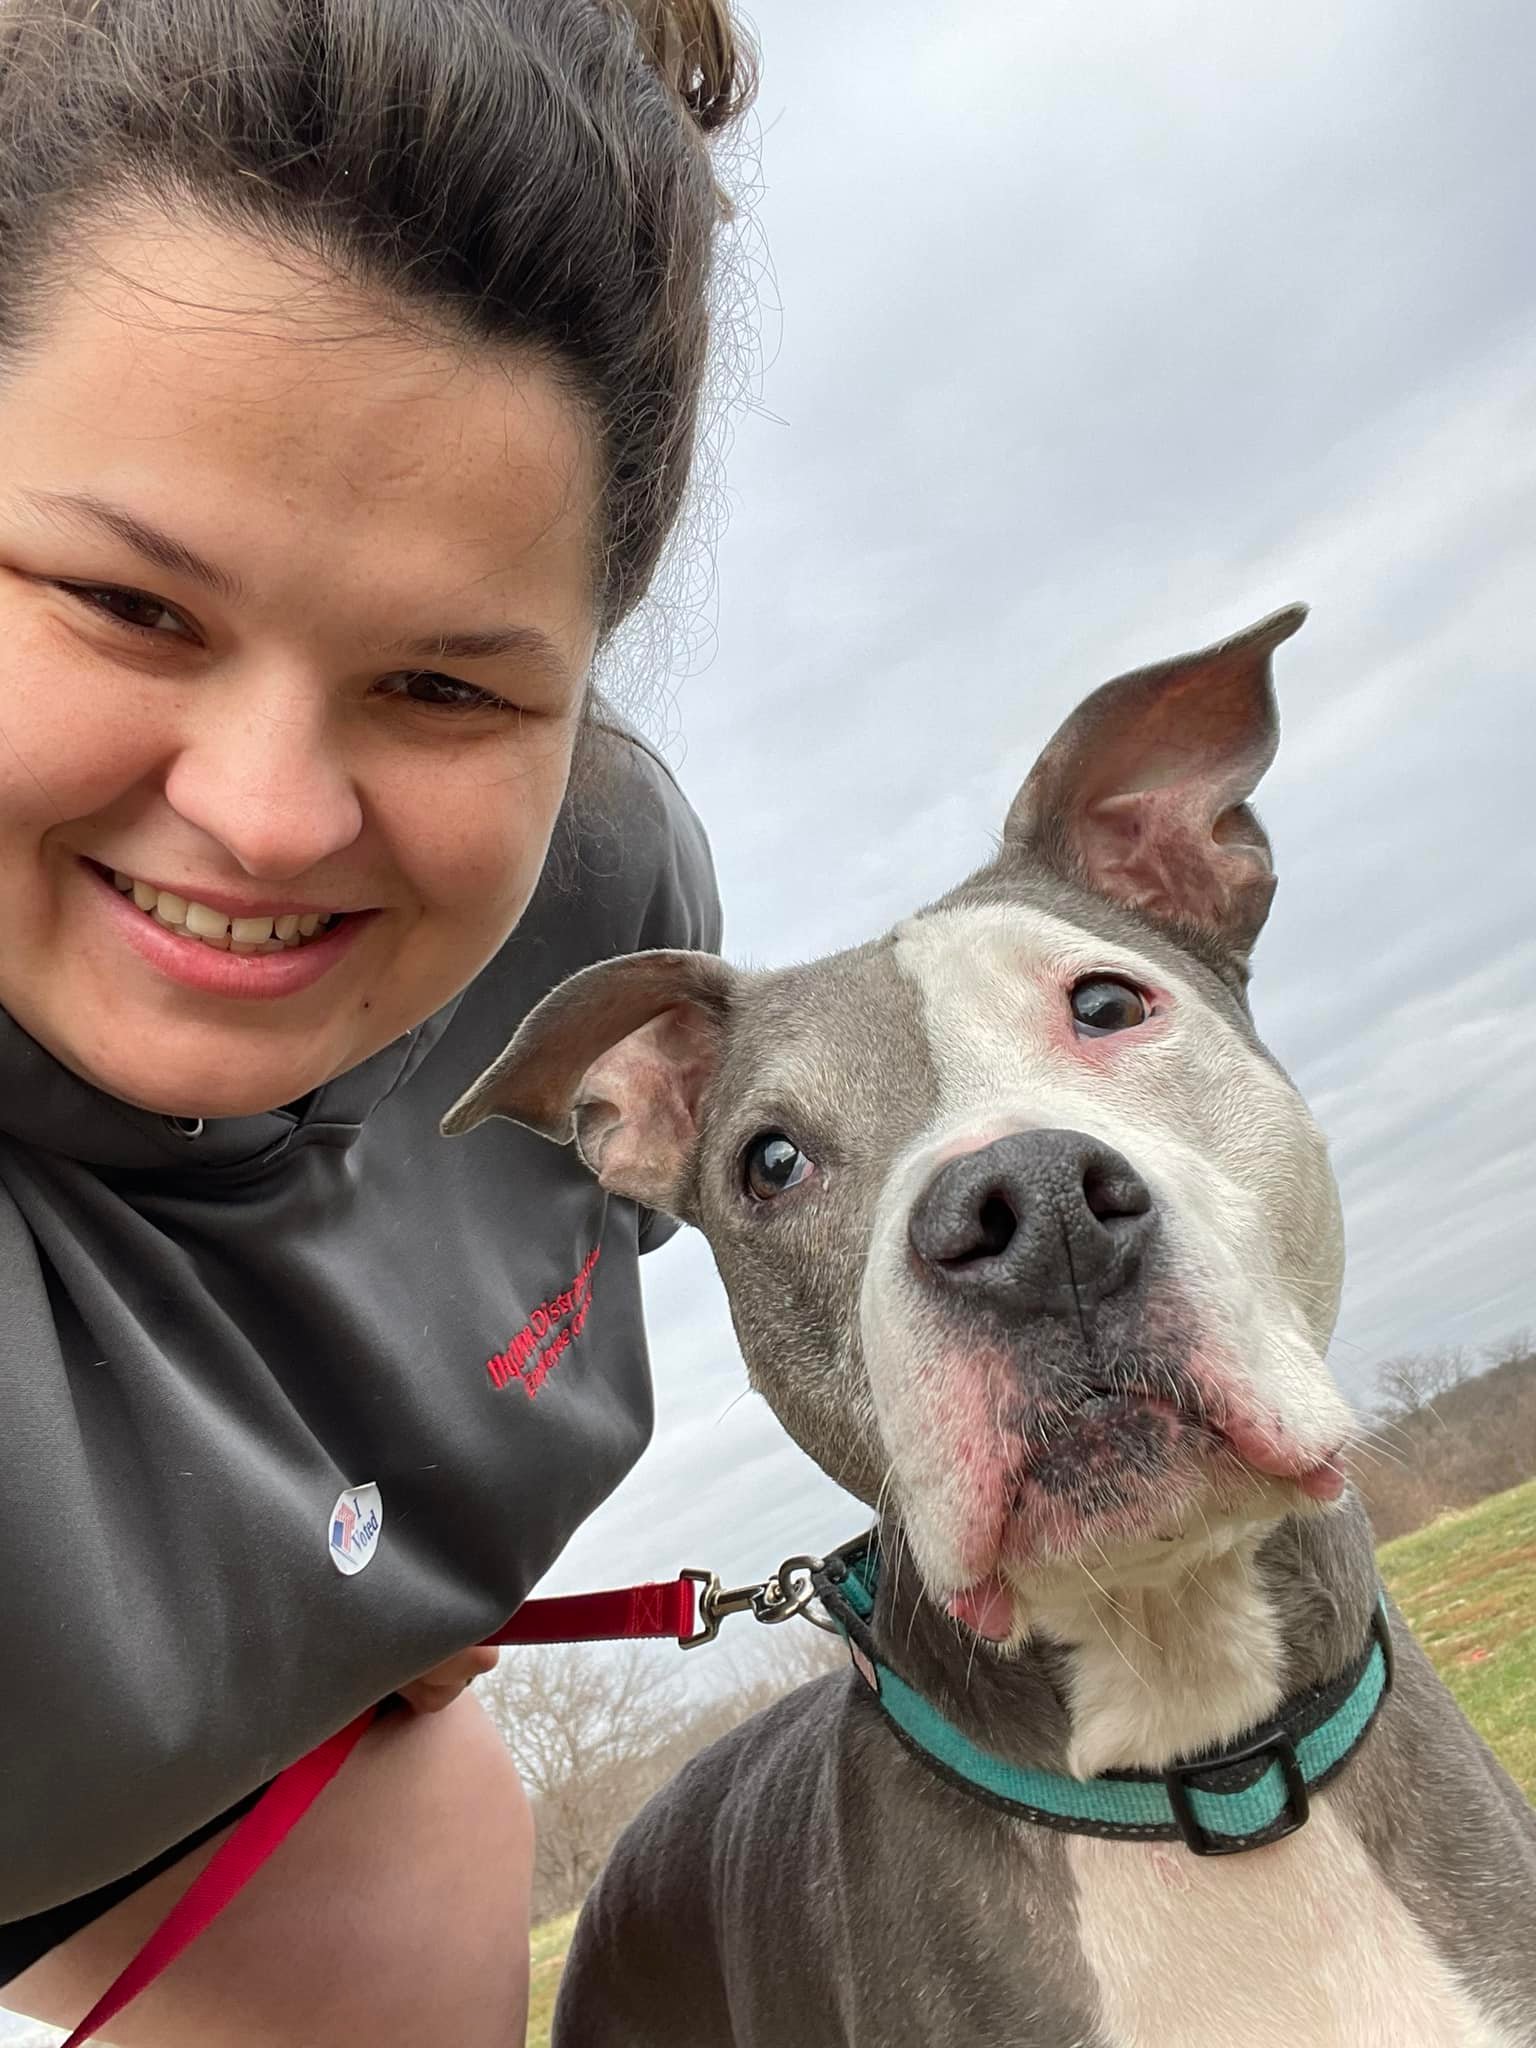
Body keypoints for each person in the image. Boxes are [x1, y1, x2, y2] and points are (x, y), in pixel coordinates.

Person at [0, 0, 753, 2037]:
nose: (264, 816)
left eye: (444, 689)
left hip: (258, 1822)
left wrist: (356, 1588)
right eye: (128, 605)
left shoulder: (602, 900)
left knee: (431, 1810)